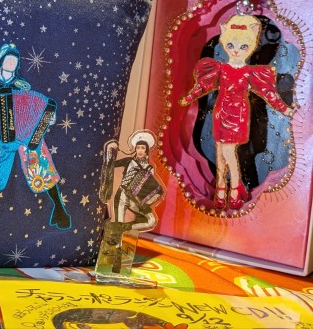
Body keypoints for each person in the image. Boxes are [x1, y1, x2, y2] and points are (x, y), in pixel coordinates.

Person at [180, 14, 293, 210]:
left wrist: (284, 108)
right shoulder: (220, 68)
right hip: (221, 113)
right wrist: (189, 97)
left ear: (252, 46)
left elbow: (268, 93)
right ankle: (221, 187)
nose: (236, 51)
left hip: (238, 115)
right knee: (220, 152)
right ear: (224, 42)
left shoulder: (249, 73)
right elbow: (203, 86)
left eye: (243, 47)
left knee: (229, 152)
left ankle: (234, 187)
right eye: (231, 45)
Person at [0, 43, 71, 230]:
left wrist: (48, 118)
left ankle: (59, 209)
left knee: (41, 163)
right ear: (1, 61)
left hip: (26, 138)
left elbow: (34, 109)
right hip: (0, 139)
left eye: (15, 60)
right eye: (8, 59)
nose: (11, 63)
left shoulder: (22, 86)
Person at [99, 130, 165, 273]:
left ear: (146, 151)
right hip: (122, 195)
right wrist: (109, 151)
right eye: (138, 147)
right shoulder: (129, 161)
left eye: (143, 148)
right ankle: (116, 259)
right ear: (135, 149)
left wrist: (145, 202)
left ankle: (123, 227)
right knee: (118, 221)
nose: (140, 150)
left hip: (136, 200)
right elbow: (111, 164)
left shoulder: (149, 168)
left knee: (151, 220)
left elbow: (151, 188)